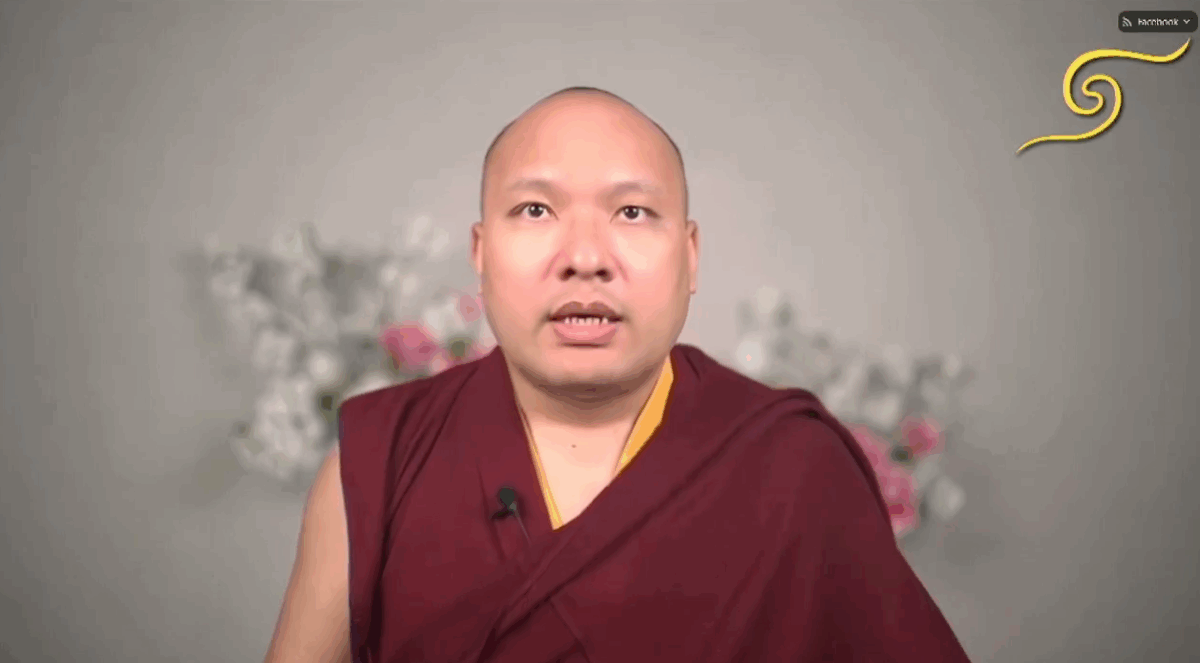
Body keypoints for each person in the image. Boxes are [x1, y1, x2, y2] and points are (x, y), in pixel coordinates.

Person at [265, 87, 972, 663]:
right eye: (535, 210)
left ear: (690, 257)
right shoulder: (379, 462)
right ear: (479, 254)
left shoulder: (794, 467)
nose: (585, 257)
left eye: (632, 212)